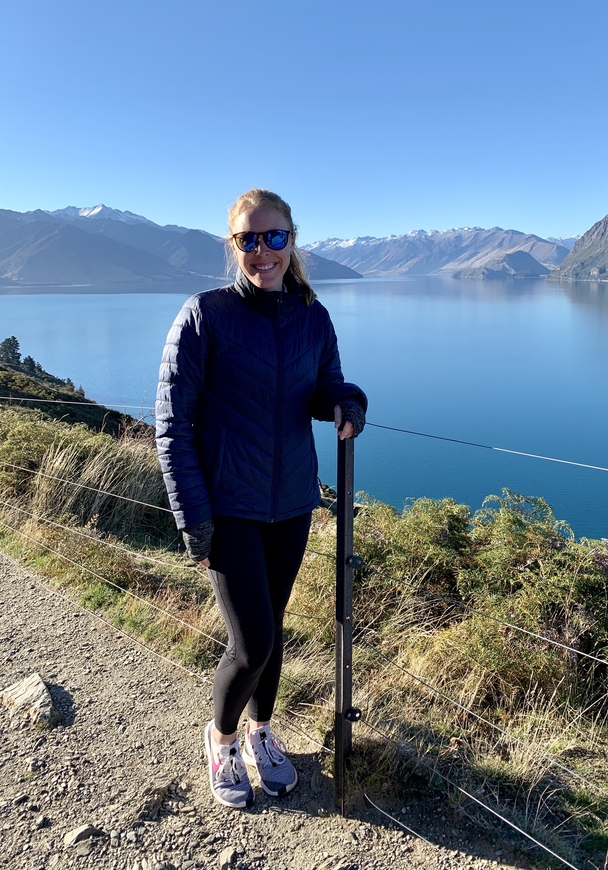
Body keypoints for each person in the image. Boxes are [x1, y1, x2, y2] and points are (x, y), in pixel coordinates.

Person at [155, 188, 366, 808]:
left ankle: (261, 732)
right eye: (249, 239)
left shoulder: (311, 314)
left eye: (274, 238)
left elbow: (324, 383)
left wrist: (346, 402)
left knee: (272, 629)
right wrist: (193, 519)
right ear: (234, 247)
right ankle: (220, 740)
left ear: (292, 240)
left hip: (292, 502)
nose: (263, 251)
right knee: (251, 641)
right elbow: (172, 425)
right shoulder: (206, 315)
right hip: (228, 508)